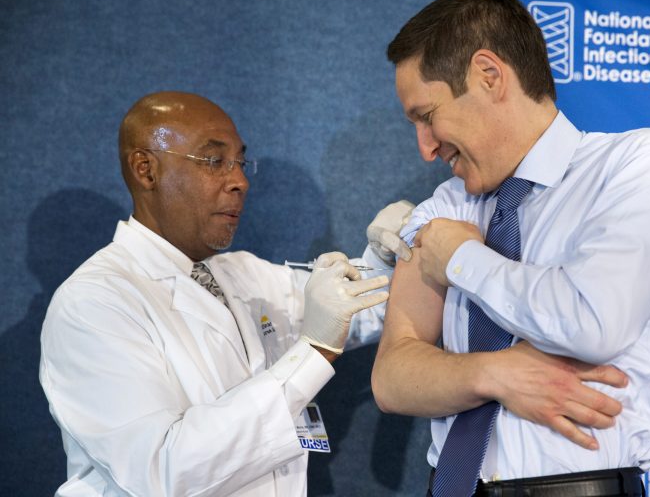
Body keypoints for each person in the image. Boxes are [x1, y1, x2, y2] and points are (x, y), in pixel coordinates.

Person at [371, 0, 650, 496]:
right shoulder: (449, 205)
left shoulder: (637, 166)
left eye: (426, 116)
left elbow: (593, 324)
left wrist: (460, 259)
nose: (426, 148)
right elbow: (392, 376)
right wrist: (494, 375)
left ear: (489, 75)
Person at [39, 91, 392, 496]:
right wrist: (313, 354)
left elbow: (361, 308)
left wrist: (391, 255)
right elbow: (164, 471)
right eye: (213, 161)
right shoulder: (92, 304)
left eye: (240, 162)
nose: (240, 181)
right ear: (146, 169)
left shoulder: (241, 273)